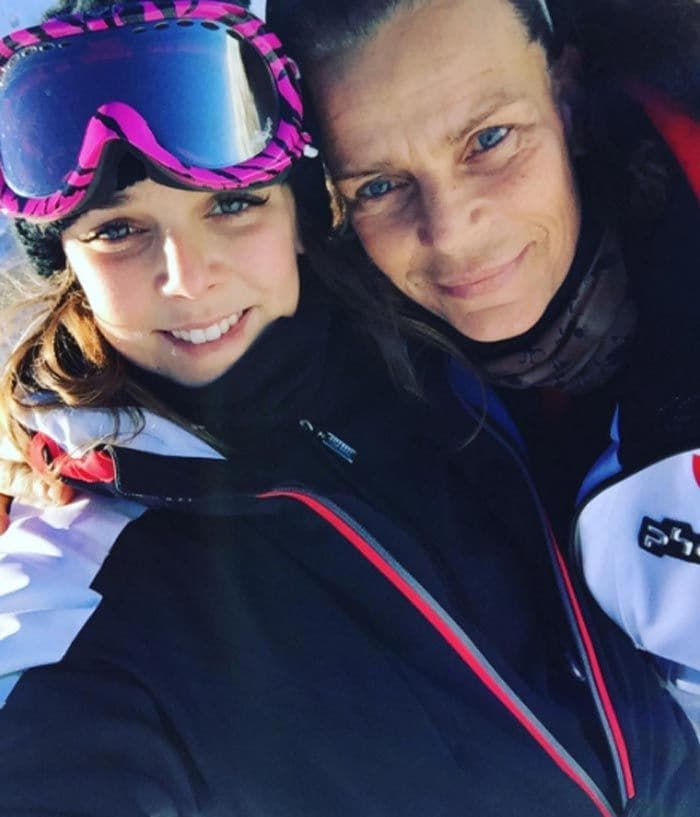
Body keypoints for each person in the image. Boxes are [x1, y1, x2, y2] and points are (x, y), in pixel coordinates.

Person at [0, 1, 698, 815]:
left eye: (230, 206)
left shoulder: (414, 374)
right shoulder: (88, 596)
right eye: (118, 231)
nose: (186, 278)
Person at [263, 0, 700, 730]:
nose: (450, 230)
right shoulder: (348, 368)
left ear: (565, 95)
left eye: (489, 139)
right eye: (377, 185)